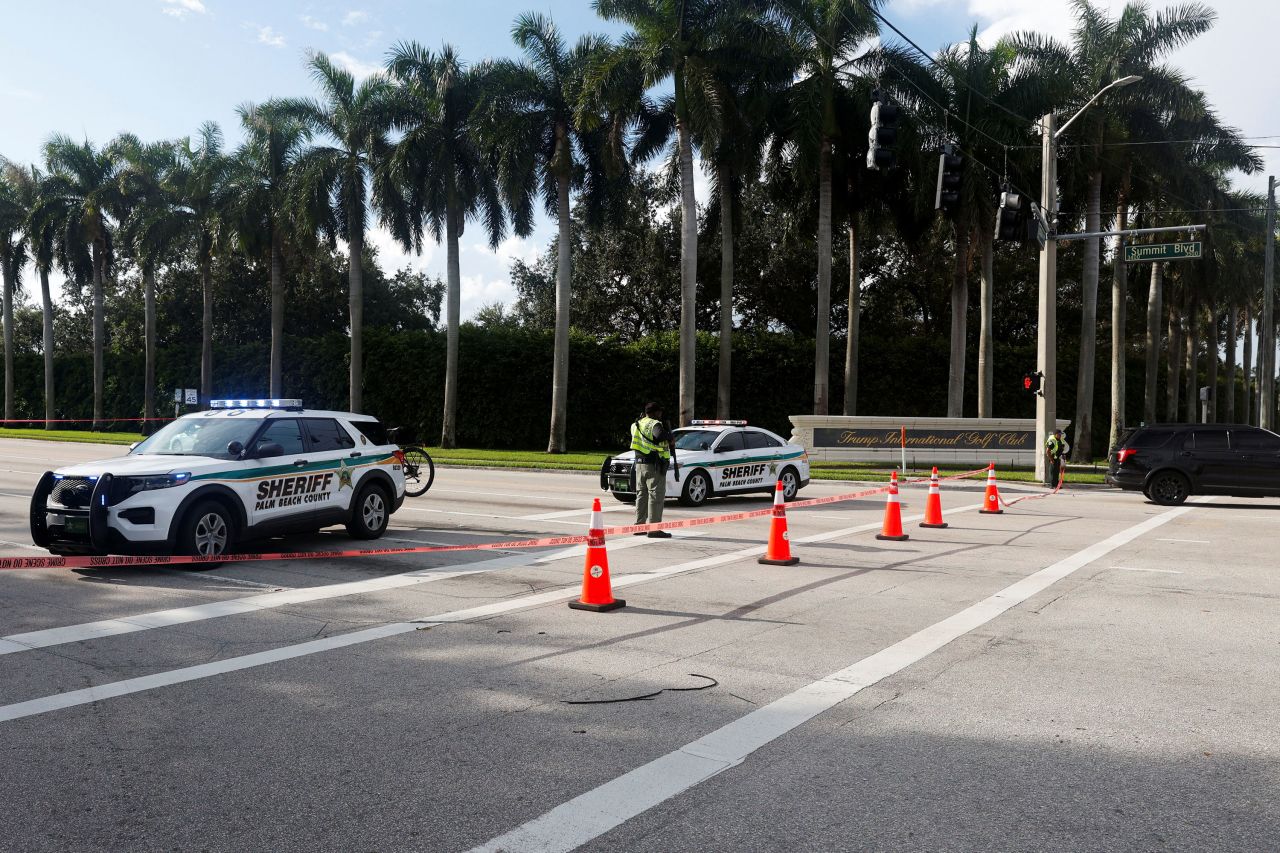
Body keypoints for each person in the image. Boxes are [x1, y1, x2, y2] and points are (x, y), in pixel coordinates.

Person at [630, 402, 673, 538]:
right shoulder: (654, 424)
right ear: (654, 412)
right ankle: (654, 529)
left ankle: (639, 526)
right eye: (659, 412)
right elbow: (659, 435)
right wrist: (669, 437)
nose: (660, 414)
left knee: (641, 495)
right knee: (656, 496)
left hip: (640, 464)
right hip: (654, 465)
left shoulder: (636, 424)